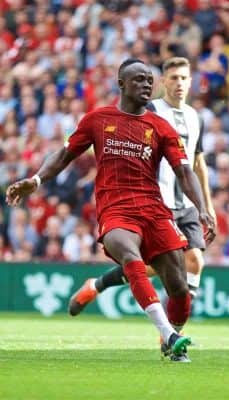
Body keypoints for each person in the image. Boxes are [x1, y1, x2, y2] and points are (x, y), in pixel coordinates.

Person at [5, 58, 216, 362]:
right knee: (129, 254)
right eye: (139, 80)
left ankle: (171, 334)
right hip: (115, 210)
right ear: (121, 84)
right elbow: (65, 154)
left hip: (155, 211)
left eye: (149, 80)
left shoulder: (161, 127)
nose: (146, 84)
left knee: (180, 289)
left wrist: (202, 208)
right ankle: (169, 335)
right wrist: (36, 180)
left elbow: (185, 171)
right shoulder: (98, 120)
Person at [68, 58, 216, 332]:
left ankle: (172, 331)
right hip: (153, 201)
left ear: (191, 82)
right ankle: (166, 330)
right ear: (163, 82)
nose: (179, 84)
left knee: (193, 261)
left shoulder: (196, 118)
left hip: (185, 202)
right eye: (173, 78)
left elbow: (197, 163)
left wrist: (207, 204)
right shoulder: (150, 111)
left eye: (184, 78)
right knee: (155, 265)